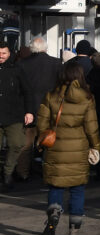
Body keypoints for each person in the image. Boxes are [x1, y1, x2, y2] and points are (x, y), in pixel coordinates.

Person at [37, 62, 100, 235]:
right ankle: (74, 230)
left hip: (55, 148)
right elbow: (92, 128)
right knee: (77, 190)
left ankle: (54, 212)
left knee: (55, 186)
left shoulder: (51, 96)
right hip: (79, 149)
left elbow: (42, 124)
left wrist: (41, 142)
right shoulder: (87, 98)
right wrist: (96, 147)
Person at [14, 37, 63, 181]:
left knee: (26, 144)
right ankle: (48, 170)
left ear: (31, 48)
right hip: (49, 110)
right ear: (45, 48)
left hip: (28, 109)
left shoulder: (22, 64)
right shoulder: (55, 63)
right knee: (48, 142)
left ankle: (23, 172)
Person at [0, 43, 31, 191]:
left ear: (9, 53)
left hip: (14, 114)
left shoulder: (17, 69)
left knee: (17, 143)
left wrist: (29, 112)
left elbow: (27, 91)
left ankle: (7, 172)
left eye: (4, 53)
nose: (1, 56)